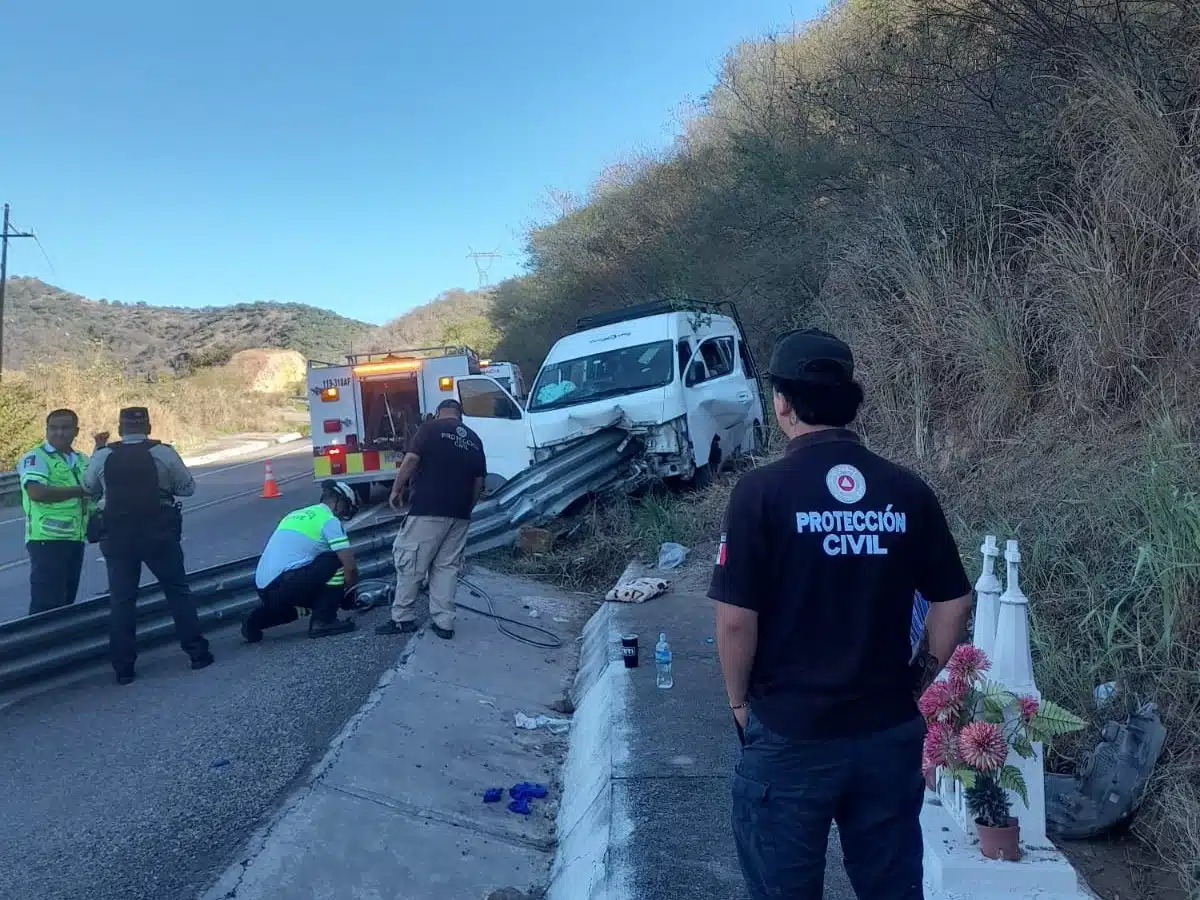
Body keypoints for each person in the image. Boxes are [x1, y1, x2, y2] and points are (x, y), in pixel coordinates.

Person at [710, 328, 974, 900]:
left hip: (789, 733)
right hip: (886, 730)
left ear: (781, 402)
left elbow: (735, 621)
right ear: (851, 400)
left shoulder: (761, 492)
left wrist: (738, 703)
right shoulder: (907, 491)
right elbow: (954, 600)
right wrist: (918, 682)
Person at [83, 407, 212, 685]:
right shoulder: (163, 453)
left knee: (122, 601)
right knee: (177, 592)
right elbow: (187, 488)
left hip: (117, 537)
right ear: (150, 427)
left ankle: (124, 669)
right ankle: (197, 653)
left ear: (120, 429)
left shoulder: (105, 455)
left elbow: (88, 486)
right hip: (159, 534)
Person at [376, 399, 485, 640]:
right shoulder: (474, 439)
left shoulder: (429, 429)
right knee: (447, 567)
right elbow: (479, 482)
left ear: (438, 413)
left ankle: (402, 618)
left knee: (411, 562)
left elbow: (412, 459)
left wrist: (396, 489)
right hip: (460, 514)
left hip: (428, 510)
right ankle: (444, 622)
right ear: (460, 416)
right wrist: (468, 507)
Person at [246, 480, 360, 641]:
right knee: (335, 561)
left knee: (308, 604)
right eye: (345, 508)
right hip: (286, 585)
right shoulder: (329, 520)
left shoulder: (295, 515)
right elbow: (350, 567)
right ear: (338, 501)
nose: (343, 514)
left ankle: (253, 622)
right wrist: (349, 593)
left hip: (264, 587)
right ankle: (324, 621)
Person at [18, 409, 106, 615]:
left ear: (76, 431)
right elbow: (37, 492)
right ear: (46, 430)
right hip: (46, 540)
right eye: (53, 428)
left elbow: (95, 489)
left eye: (65, 428)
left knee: (66, 601)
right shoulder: (36, 457)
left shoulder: (81, 459)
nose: (59, 433)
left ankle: (61, 645)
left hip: (75, 538)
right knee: (47, 605)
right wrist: (81, 491)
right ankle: (39, 645)